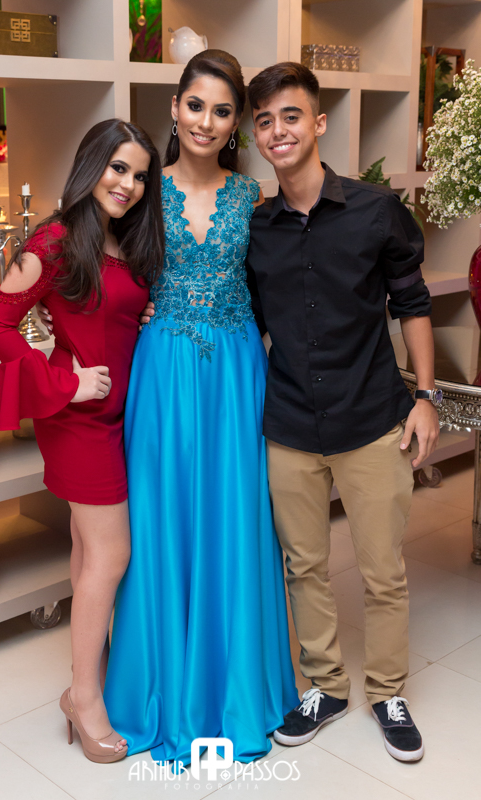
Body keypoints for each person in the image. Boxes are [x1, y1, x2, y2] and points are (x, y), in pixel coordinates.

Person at [103, 50, 298, 767]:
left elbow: (280, 282)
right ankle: (161, 688)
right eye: (195, 106)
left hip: (236, 371)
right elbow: (98, 268)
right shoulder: (139, 188)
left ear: (235, 122)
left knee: (232, 516)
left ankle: (232, 688)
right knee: (161, 518)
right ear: (175, 106)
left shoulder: (252, 195)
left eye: (222, 111)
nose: (206, 123)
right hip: (162, 371)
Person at [244, 62, 440, 763]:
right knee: (303, 566)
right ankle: (325, 686)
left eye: (290, 116)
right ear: (256, 135)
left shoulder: (374, 209)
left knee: (382, 570)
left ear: (318, 123)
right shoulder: (256, 228)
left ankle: (387, 691)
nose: (277, 131)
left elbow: (412, 303)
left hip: (371, 418)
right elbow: (242, 319)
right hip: (289, 424)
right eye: (264, 121)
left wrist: (426, 397)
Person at [0, 119, 165, 764]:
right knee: (112, 556)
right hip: (79, 419)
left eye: (139, 175)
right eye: (118, 168)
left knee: (90, 553)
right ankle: (84, 699)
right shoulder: (56, 239)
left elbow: (112, 312)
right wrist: (66, 380)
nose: (129, 184)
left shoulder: (122, 240)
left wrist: (138, 311)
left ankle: (83, 683)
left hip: (121, 416)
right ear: (92, 167)